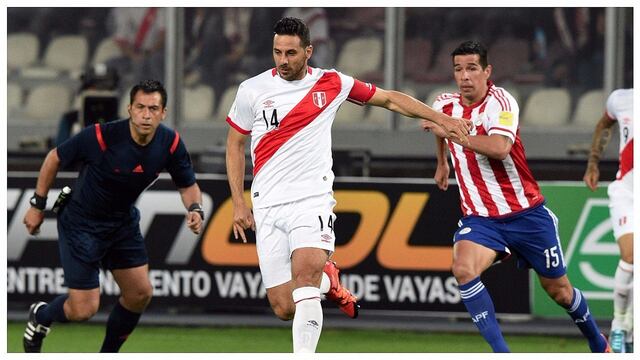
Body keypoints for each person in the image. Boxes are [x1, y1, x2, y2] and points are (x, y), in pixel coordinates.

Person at [225, 17, 471, 353]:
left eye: (291, 53)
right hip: (267, 203)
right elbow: (235, 145)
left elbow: (389, 99)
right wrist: (239, 203)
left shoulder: (332, 83)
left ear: (309, 51)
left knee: (306, 279)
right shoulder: (251, 90)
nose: (283, 60)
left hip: (311, 200)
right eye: (277, 52)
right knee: (284, 306)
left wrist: (442, 119)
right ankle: (331, 281)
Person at [423, 40, 611, 353]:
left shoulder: (502, 101)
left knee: (560, 292)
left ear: (487, 71)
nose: (465, 76)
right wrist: (442, 162)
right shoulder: (445, 104)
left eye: (472, 68)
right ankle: (503, 353)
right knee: (463, 269)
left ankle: (597, 341)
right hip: (480, 217)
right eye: (458, 69)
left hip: (526, 213)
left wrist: (456, 134)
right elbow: (437, 127)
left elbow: (499, 148)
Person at [22, 80, 204, 353]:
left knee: (139, 294)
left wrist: (195, 209)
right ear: (129, 109)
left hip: (122, 223)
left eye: (153, 108)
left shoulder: (171, 143)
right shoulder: (99, 136)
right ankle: (42, 316)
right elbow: (54, 158)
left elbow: (187, 185)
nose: (146, 114)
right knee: (84, 309)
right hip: (81, 224)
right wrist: (37, 205)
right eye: (140, 107)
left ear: (163, 112)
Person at [583, 88, 634, 353]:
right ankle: (618, 326)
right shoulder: (621, 98)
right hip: (626, 192)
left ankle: (630, 329)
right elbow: (604, 124)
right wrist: (593, 162)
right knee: (631, 255)